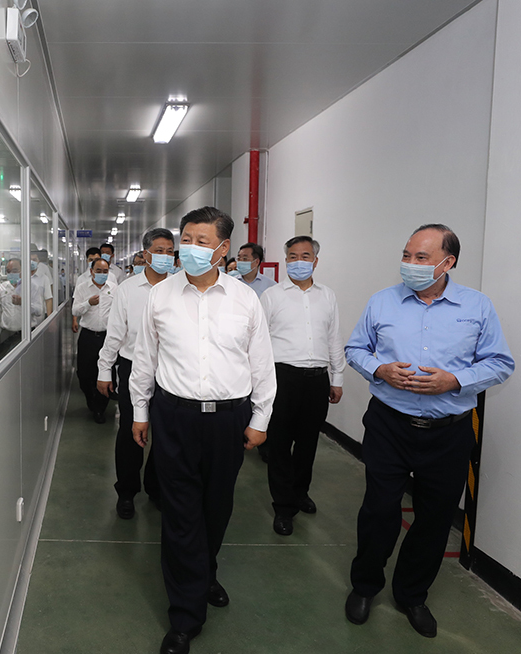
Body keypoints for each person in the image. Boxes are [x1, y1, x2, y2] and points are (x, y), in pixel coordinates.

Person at [343, 224, 513, 638]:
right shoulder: (382, 302)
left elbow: (500, 363)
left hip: (448, 433)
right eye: (407, 255)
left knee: (434, 519)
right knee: (379, 510)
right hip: (389, 425)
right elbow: (355, 349)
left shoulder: (477, 306)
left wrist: (455, 380)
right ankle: (365, 586)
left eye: (421, 257)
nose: (410, 264)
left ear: (447, 262)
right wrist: (380, 370)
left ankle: (412, 595)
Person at [130, 207, 276, 654]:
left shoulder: (245, 299)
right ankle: (185, 615)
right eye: (186, 239)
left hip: (229, 419)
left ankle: (204, 573)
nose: (190, 248)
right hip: (174, 416)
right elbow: (145, 356)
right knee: (180, 513)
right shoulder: (161, 295)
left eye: (201, 241)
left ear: (223, 248)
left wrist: (260, 419)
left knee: (216, 506)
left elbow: (261, 363)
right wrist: (140, 410)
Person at [260, 236, 345, 536]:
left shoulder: (327, 296)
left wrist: (337, 378)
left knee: (308, 443)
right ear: (286, 260)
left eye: (305, 256)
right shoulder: (272, 296)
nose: (298, 261)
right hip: (282, 378)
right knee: (280, 444)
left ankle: (300, 493)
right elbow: (258, 341)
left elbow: (334, 337)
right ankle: (283, 507)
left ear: (315, 261)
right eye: (293, 256)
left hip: (317, 379)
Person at [96, 228, 174, 519]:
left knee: (164, 434)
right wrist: (105, 369)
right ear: (145, 253)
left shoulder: (180, 287)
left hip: (170, 370)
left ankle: (156, 488)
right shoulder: (128, 289)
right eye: (159, 251)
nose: (165, 256)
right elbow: (115, 333)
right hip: (132, 367)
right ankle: (127, 492)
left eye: (170, 251)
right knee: (131, 431)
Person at [73, 257, 117, 423]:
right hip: (88, 336)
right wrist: (88, 303)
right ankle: (91, 399)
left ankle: (100, 409)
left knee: (106, 373)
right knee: (84, 374)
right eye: (98, 271)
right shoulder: (82, 288)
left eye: (105, 271)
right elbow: (75, 310)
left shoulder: (114, 289)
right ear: (91, 271)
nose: (102, 274)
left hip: (107, 337)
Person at [73, 247, 103, 334]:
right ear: (87, 261)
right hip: (88, 326)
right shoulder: (81, 279)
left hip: (107, 329)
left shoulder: (111, 277)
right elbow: (76, 301)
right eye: (91, 260)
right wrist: (74, 320)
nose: (93, 262)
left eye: (96, 259)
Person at [30, 252, 53, 328]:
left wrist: (49, 319)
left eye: (34, 259)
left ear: (38, 261)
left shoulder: (44, 278)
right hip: (23, 321)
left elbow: (48, 299)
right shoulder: (21, 277)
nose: (32, 262)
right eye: (30, 259)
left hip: (38, 320)